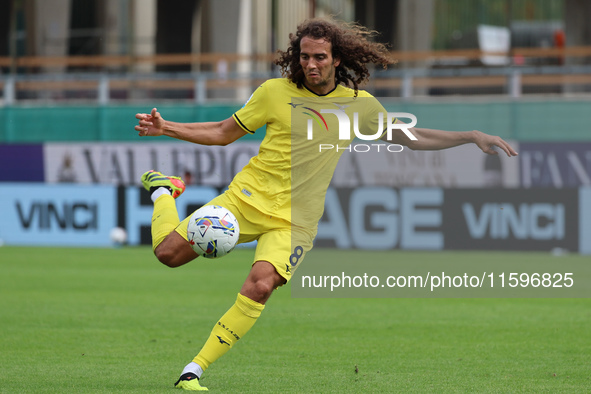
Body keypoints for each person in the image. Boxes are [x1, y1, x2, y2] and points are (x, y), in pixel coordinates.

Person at [135, 18, 518, 391]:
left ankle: (193, 371)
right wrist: (166, 127)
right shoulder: (274, 92)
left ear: (336, 59)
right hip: (246, 199)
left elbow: (411, 136)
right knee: (167, 254)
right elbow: (223, 133)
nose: (310, 64)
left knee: (261, 285)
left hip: (295, 221)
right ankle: (164, 191)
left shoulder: (357, 106)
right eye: (304, 56)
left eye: (319, 57)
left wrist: (470, 136)